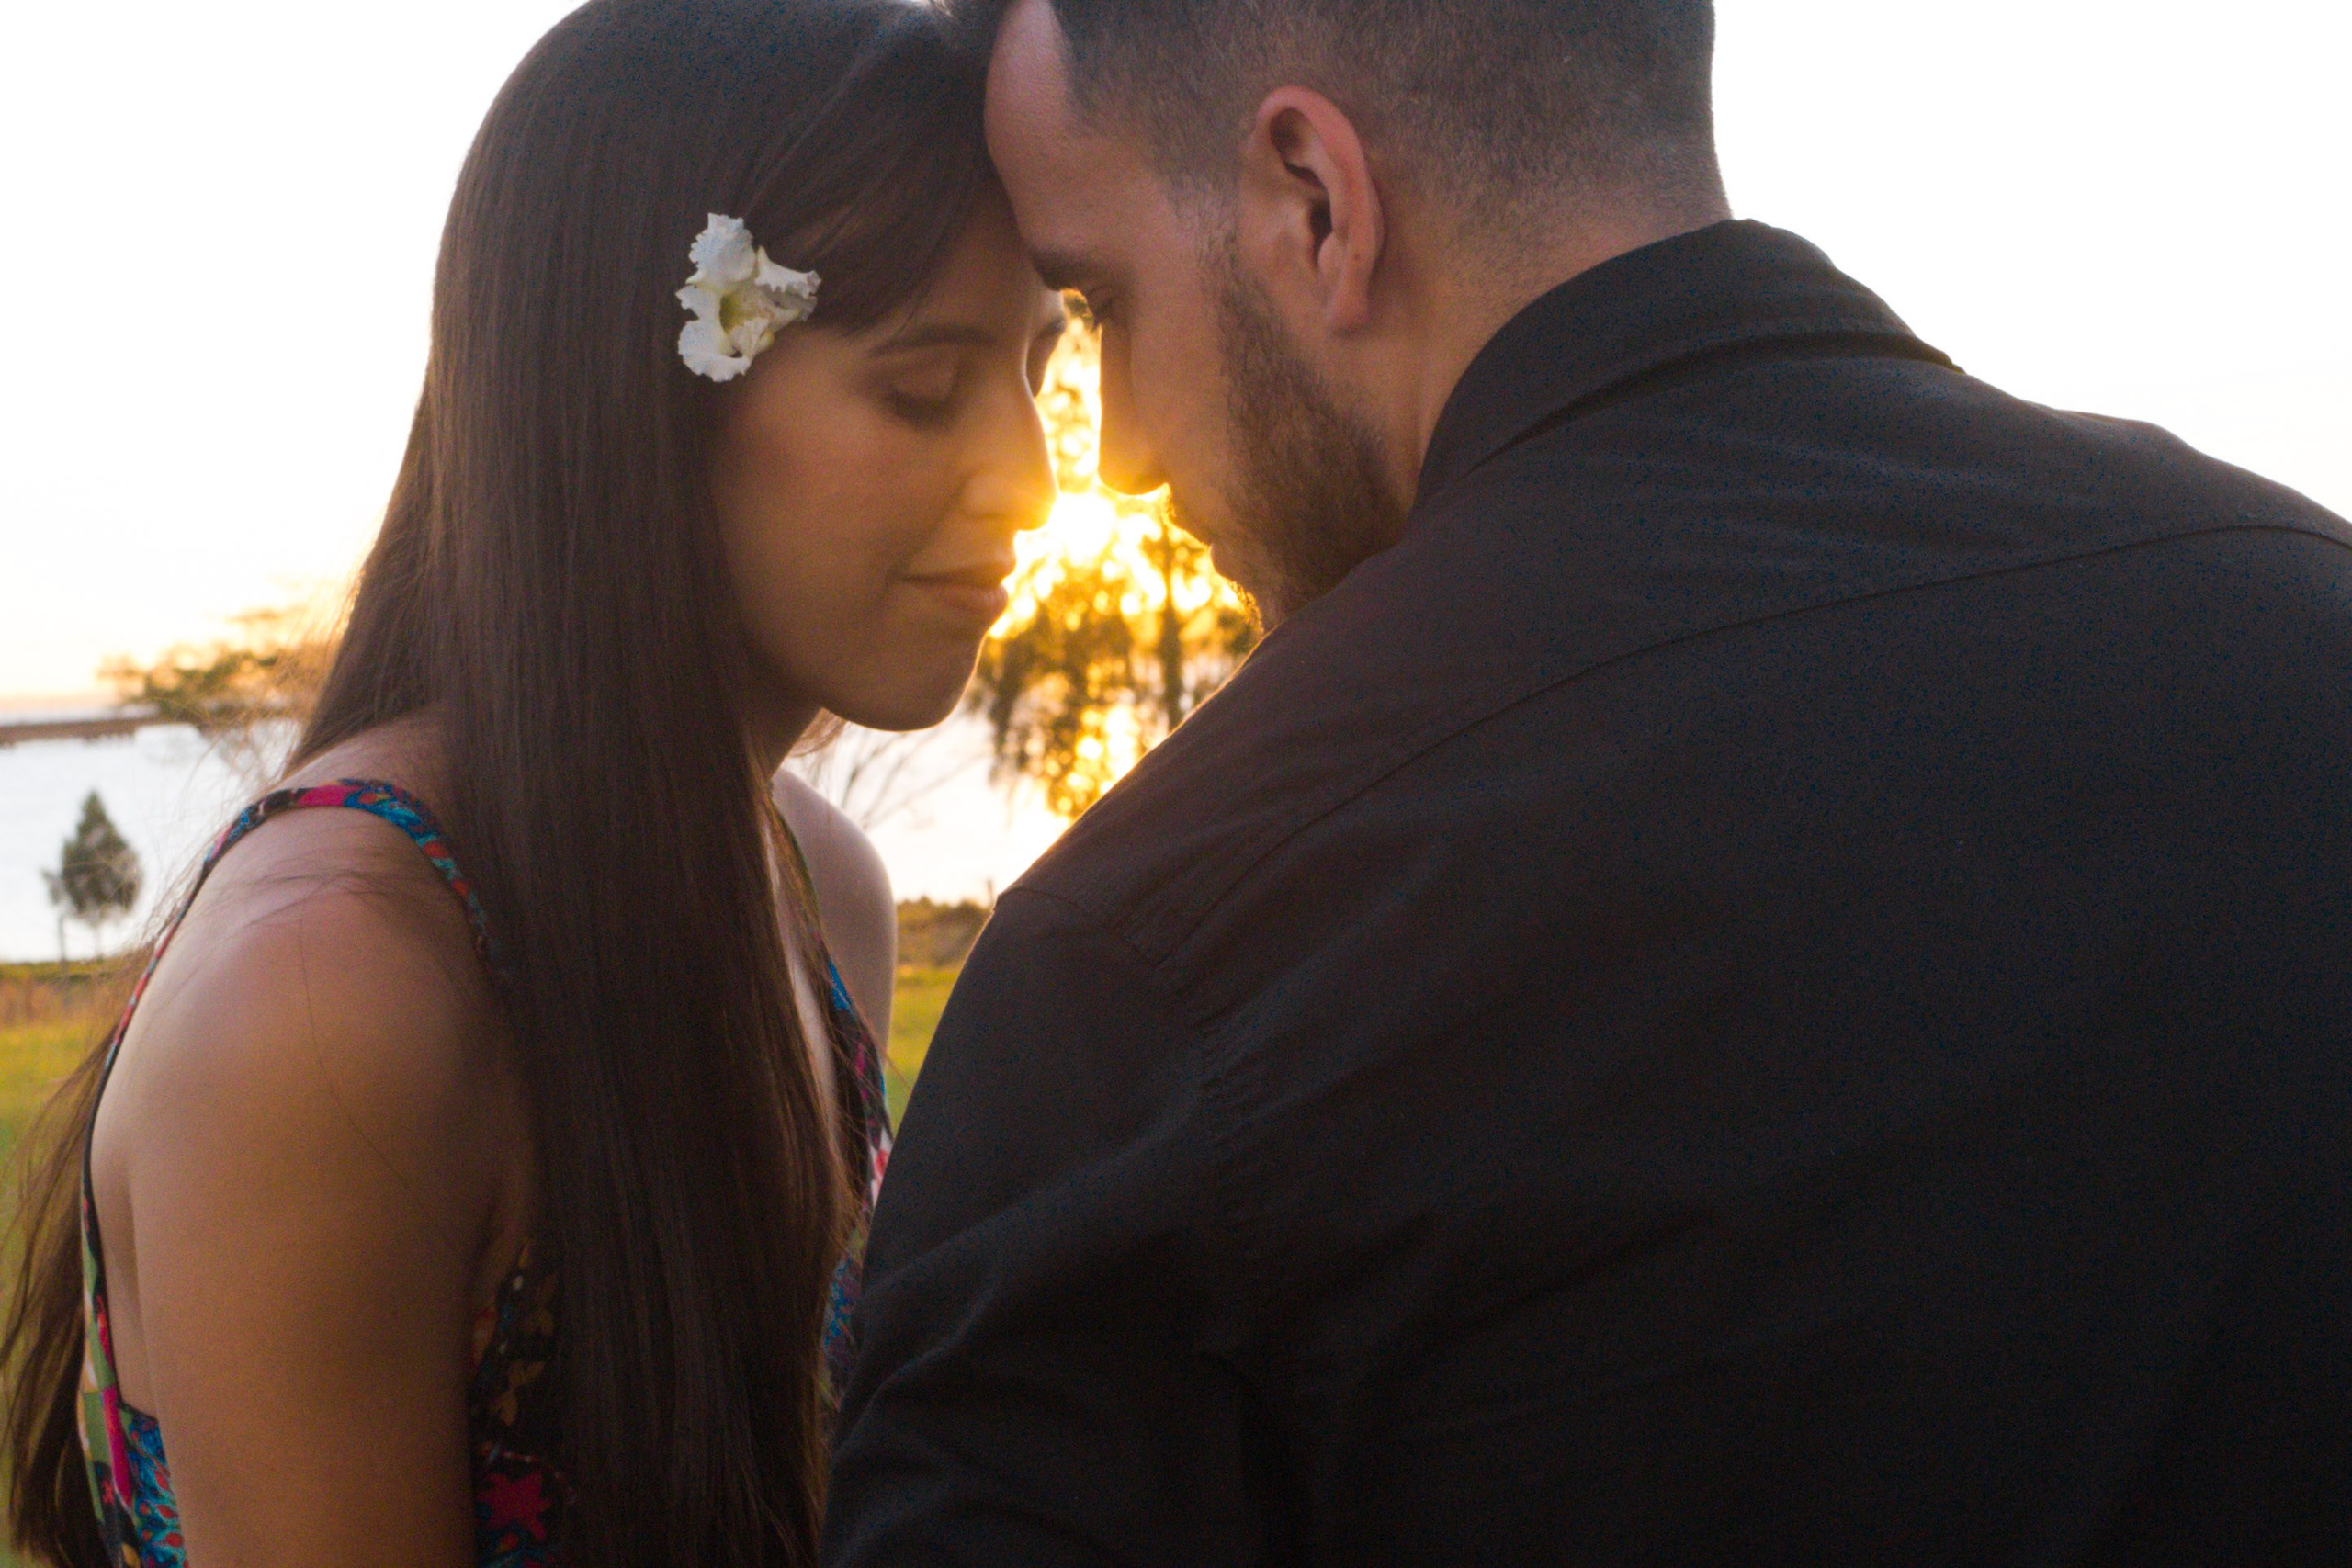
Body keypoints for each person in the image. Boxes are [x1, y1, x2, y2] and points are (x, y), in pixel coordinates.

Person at [825, 1, 2352, 1562]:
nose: (1125, 451)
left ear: (1315, 201)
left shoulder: (1155, 958)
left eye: (1102, 308)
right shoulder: (2312, 623)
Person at [1, 2, 1062, 1564]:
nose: (1036, 479)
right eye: (922, 389)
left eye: (1043, 365)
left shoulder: (814, 882)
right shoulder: (334, 1004)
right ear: (644, 403)